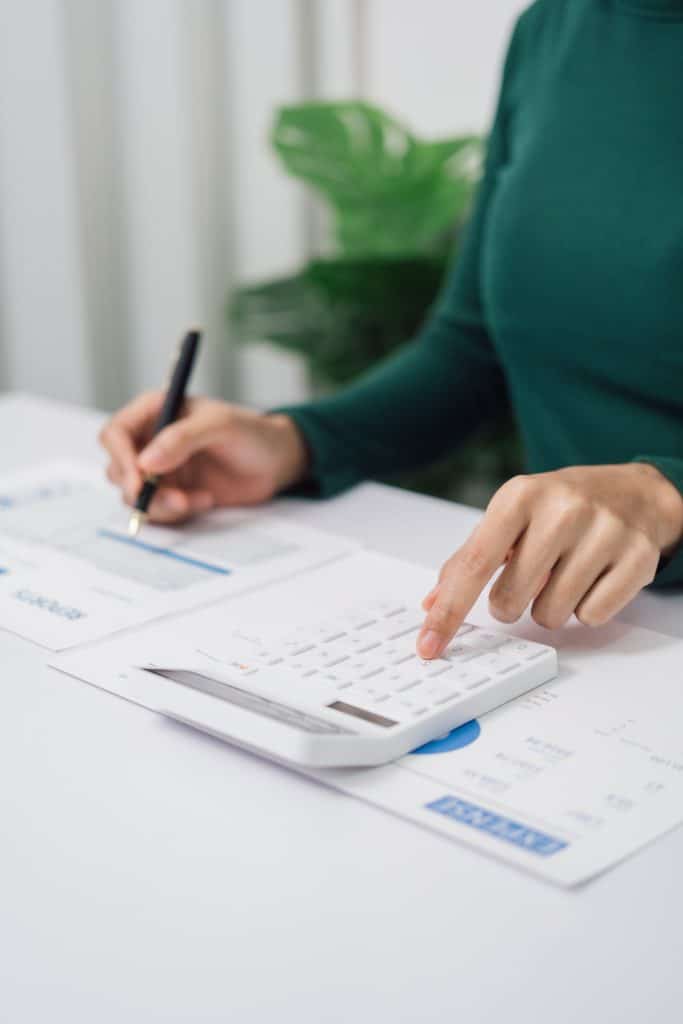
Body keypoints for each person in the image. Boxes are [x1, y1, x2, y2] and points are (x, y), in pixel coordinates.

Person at [101, 0, 683, 661]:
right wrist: (296, 442)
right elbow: (476, 345)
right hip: (581, 635)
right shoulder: (556, 26)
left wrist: (664, 496)